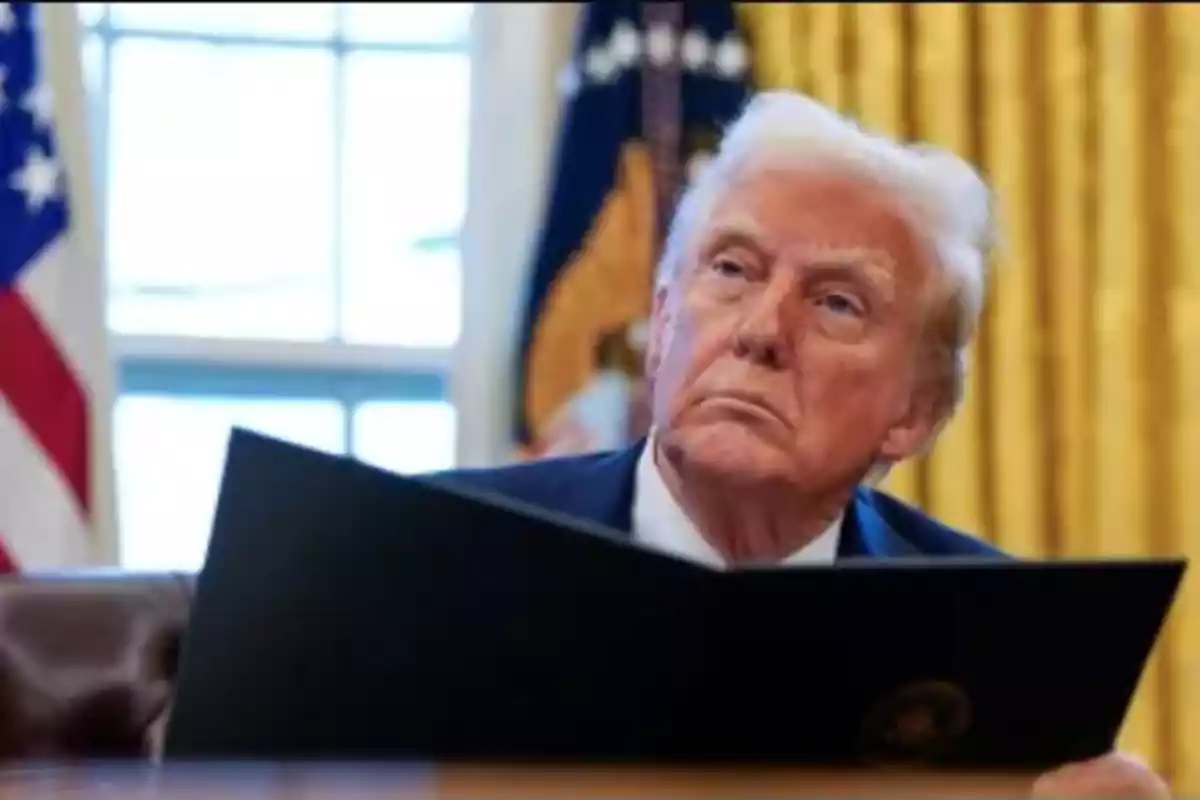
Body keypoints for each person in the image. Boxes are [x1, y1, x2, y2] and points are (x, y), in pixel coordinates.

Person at [438, 91, 1170, 797]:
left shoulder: (1005, 650)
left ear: (916, 411)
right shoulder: (445, 556)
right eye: (731, 268)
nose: (760, 331)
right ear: (661, 327)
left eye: (836, 303)